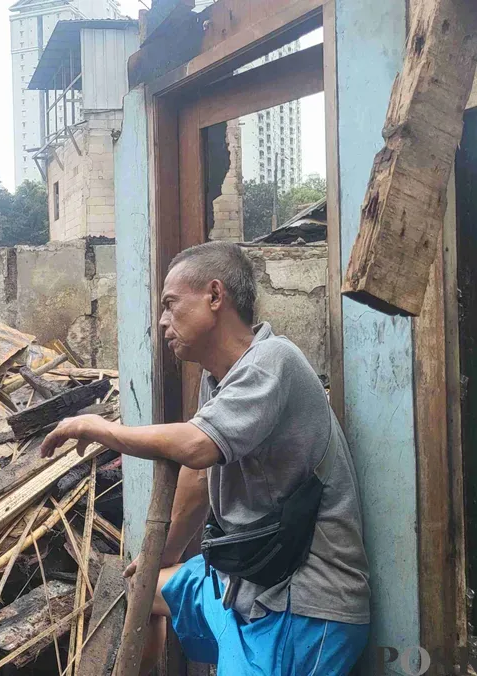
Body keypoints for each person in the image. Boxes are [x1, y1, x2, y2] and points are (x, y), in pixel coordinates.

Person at [39, 242, 370, 675]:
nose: (162, 321)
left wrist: (99, 429)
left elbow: (197, 446)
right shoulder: (217, 380)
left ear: (215, 297)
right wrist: (163, 553)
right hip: (246, 584)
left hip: (303, 603)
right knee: (143, 586)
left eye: (170, 304)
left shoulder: (275, 361)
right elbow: (199, 479)